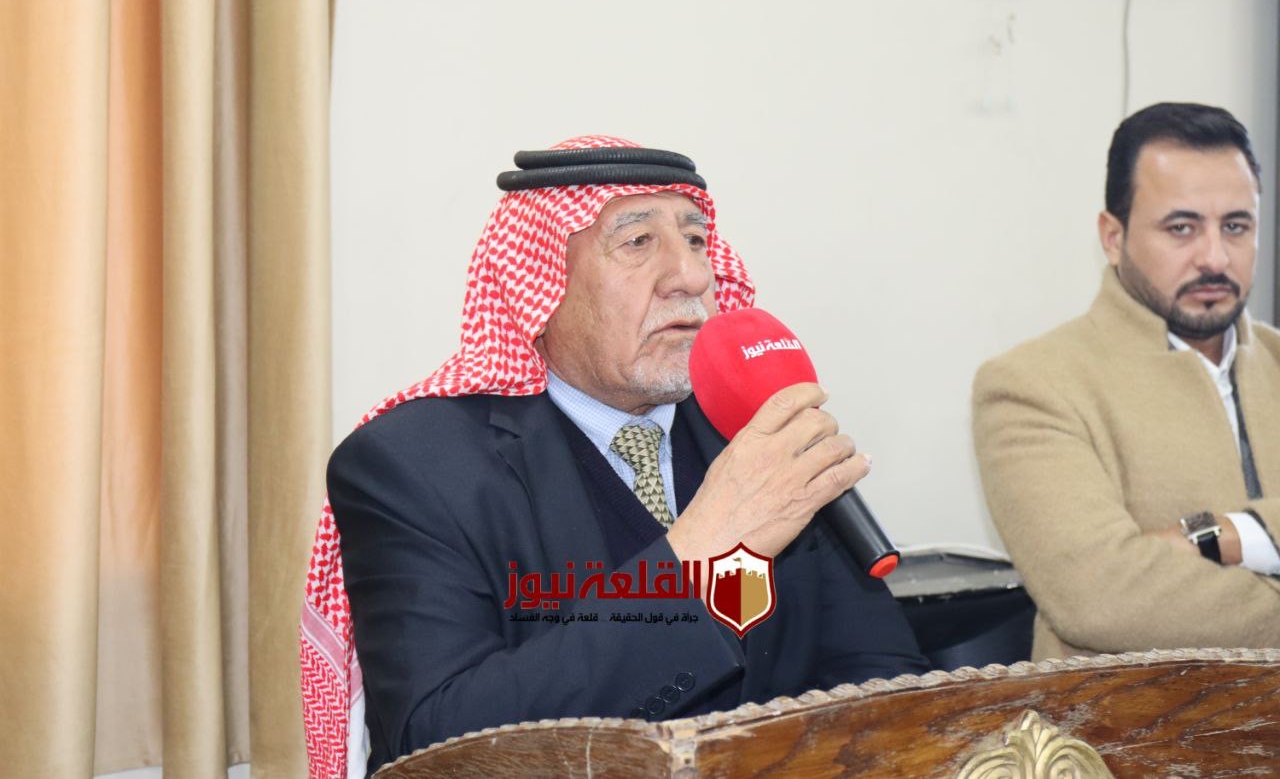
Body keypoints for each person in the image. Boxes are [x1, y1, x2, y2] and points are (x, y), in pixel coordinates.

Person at [302, 135, 928, 777]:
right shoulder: (412, 466)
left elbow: (881, 677)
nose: (692, 277)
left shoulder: (751, 429)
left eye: (696, 240)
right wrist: (698, 554)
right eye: (637, 242)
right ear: (542, 283)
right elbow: (439, 744)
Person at [973, 103, 1280, 663]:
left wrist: (1224, 534)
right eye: (1181, 228)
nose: (1215, 257)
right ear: (1113, 238)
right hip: (1129, 720)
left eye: (1236, 226)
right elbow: (1101, 597)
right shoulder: (1031, 385)